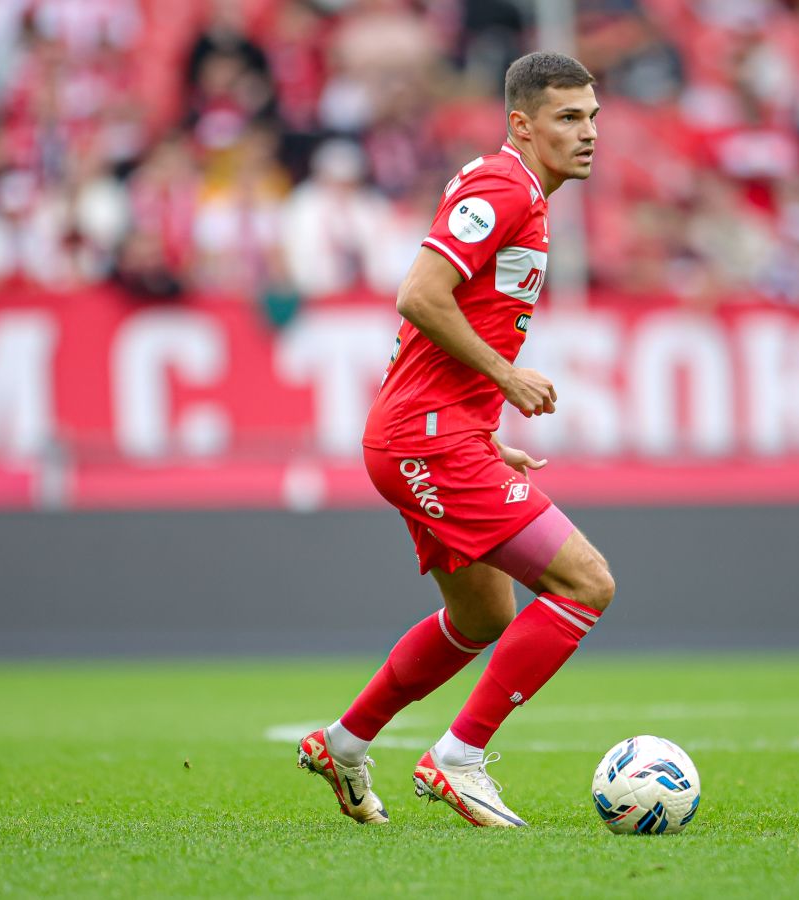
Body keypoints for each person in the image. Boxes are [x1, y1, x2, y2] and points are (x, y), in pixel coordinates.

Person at [297, 51, 610, 829]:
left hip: (435, 431)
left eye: (592, 116)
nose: (588, 132)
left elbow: (435, 328)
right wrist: (505, 377)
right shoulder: (504, 187)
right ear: (522, 125)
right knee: (585, 583)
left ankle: (343, 743)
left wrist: (481, 429)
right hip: (425, 440)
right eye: (569, 117)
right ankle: (459, 757)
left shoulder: (520, 193)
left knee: (481, 617)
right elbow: (419, 295)